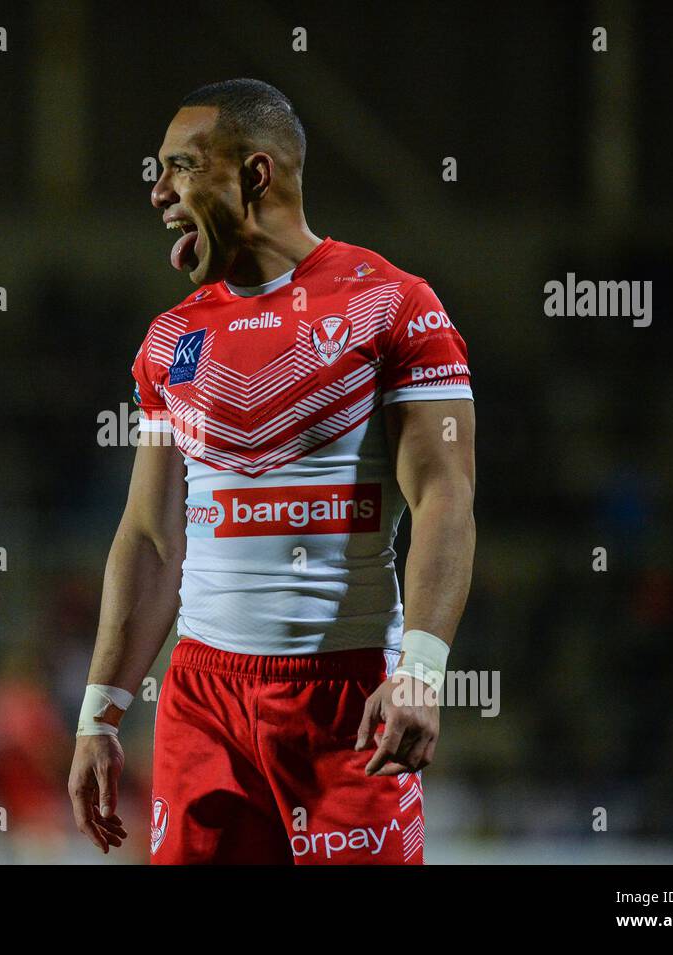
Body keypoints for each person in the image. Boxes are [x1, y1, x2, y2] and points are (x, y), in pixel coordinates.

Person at [68, 78, 476, 864]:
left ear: (255, 175)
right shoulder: (170, 340)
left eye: (179, 167)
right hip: (200, 701)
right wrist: (100, 714)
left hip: (345, 700)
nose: (157, 192)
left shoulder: (394, 307)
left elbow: (444, 497)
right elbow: (152, 539)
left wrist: (423, 671)